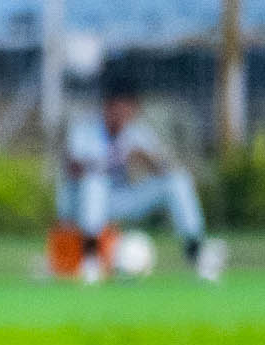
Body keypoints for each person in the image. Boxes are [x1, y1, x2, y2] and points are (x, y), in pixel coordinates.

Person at [61, 69, 227, 283]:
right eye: (116, 106)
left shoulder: (137, 132)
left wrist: (146, 158)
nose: (121, 112)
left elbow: (166, 169)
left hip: (121, 200)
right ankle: (90, 261)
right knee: (95, 182)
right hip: (83, 206)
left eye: (127, 106)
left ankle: (195, 253)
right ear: (107, 106)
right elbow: (72, 168)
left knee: (177, 181)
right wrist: (107, 161)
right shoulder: (85, 129)